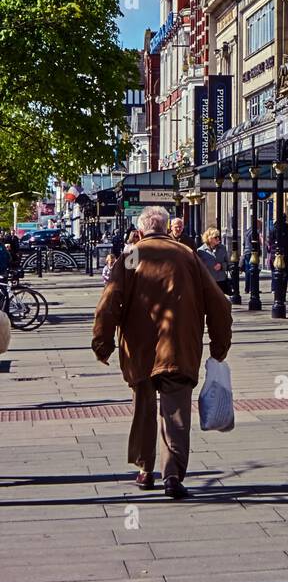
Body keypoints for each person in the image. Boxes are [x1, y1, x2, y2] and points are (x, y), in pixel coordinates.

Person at [92, 205, 232, 499]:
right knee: (177, 413)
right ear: (167, 228)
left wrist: (103, 342)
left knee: (144, 409)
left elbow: (110, 301)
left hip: (139, 350)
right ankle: (173, 477)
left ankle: (145, 470)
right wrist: (219, 346)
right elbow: (219, 303)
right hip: (179, 347)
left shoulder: (132, 256)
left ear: (141, 231)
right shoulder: (186, 255)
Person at [198, 226, 231, 296]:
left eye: (218, 237)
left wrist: (221, 266)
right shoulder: (201, 251)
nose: (218, 239)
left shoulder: (222, 248)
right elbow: (199, 267)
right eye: (215, 237)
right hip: (208, 281)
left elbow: (228, 263)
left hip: (221, 281)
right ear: (209, 238)